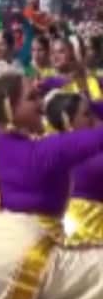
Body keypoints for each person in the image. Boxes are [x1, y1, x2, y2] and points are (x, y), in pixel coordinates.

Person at [0, 62, 103, 299]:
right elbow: (94, 139)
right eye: (32, 98)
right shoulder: (41, 153)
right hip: (22, 261)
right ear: (9, 107)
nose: (41, 104)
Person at [42, 88, 103, 246]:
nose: (93, 119)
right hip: (92, 229)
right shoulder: (83, 158)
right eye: (86, 114)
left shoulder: (55, 148)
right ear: (68, 121)